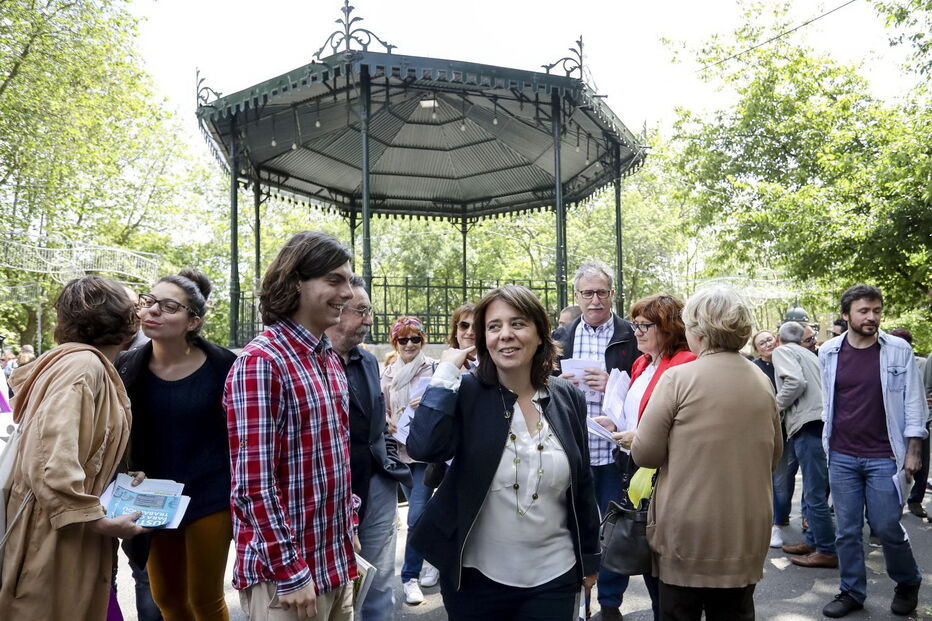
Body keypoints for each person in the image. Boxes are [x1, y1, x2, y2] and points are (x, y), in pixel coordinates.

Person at [407, 284, 601, 621]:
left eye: (518, 323)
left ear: (541, 334)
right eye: (494, 327)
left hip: (554, 576)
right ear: (483, 340)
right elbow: (424, 447)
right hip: (476, 580)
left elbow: (582, 483)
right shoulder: (464, 393)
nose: (505, 335)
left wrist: (590, 558)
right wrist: (446, 373)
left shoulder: (568, 397)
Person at [225, 231, 358, 621]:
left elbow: (334, 457)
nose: (348, 292)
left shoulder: (328, 359)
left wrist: (349, 522)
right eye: (334, 280)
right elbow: (253, 487)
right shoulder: (261, 363)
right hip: (286, 582)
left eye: (348, 280)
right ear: (295, 282)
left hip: (335, 565)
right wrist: (290, 571)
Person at [0, 275, 149, 620]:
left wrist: (118, 477)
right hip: (56, 538)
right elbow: (51, 458)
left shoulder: (79, 363)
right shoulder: (83, 367)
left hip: (66, 531)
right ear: (125, 321)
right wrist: (99, 522)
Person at [630, 286, 782, 621]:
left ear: (697, 330)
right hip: (745, 531)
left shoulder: (678, 378)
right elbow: (774, 455)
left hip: (687, 534)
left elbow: (645, 454)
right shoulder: (761, 380)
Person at [118, 269, 237, 620]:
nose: (153, 311)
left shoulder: (224, 366)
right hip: (153, 497)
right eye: (149, 302)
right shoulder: (127, 366)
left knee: (205, 599)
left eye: (168, 306)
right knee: (167, 597)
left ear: (192, 321)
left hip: (210, 496)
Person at [819, 285, 927, 618]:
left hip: (886, 455)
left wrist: (914, 450)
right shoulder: (829, 352)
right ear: (846, 314)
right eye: (864, 311)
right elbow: (829, 402)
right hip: (842, 454)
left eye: (877, 310)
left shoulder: (897, 350)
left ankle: (908, 581)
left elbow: (913, 401)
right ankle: (852, 590)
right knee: (847, 530)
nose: (872, 317)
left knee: (886, 526)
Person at [552, 261, 639, 621]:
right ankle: (571, 596)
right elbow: (542, 385)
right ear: (577, 296)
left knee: (615, 532)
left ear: (612, 294)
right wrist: (559, 383)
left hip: (615, 448)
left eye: (601, 292)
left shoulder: (631, 335)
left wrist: (613, 382)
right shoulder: (560, 337)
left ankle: (610, 604)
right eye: (587, 293)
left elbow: (648, 388)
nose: (595, 300)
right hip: (572, 447)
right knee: (569, 527)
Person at [325, 277, 411, 621]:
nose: (369, 320)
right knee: (334, 591)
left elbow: (379, 424)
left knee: (378, 584)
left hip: (376, 486)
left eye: (369, 310)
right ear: (335, 311)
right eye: (362, 311)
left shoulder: (368, 361)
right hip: (331, 493)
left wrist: (387, 462)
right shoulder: (310, 362)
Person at [608, 294, 696, 620]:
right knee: (649, 562)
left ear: (669, 328)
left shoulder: (686, 363)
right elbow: (640, 414)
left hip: (666, 475)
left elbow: (685, 428)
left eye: (646, 325)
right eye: (635, 324)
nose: (637, 332)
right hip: (636, 470)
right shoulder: (642, 363)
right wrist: (615, 424)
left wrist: (641, 438)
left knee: (667, 574)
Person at [380, 316, 438, 605]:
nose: (410, 344)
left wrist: (428, 402)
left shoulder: (434, 370)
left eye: (416, 338)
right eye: (403, 339)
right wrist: (388, 420)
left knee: (415, 515)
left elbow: (447, 406)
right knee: (417, 516)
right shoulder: (387, 375)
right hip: (397, 454)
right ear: (395, 343)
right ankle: (433, 553)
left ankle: (409, 577)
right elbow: (381, 409)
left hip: (423, 454)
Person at [771, 322, 837, 568]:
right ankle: (812, 540)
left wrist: (775, 408)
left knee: (814, 493)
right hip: (820, 423)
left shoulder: (782, 351)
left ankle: (827, 550)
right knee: (814, 490)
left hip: (808, 424)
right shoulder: (810, 354)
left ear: (779, 338)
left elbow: (795, 383)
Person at [888, 329, 930, 518]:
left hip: (920, 419)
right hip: (892, 420)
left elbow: (925, 393)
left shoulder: (921, 362)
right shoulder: (883, 361)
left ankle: (915, 500)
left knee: (920, 462)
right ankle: (891, 502)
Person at [447, 303, 477, 369]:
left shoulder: (494, 369)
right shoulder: (440, 366)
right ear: (455, 332)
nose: (470, 332)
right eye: (464, 325)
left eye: (476, 327)